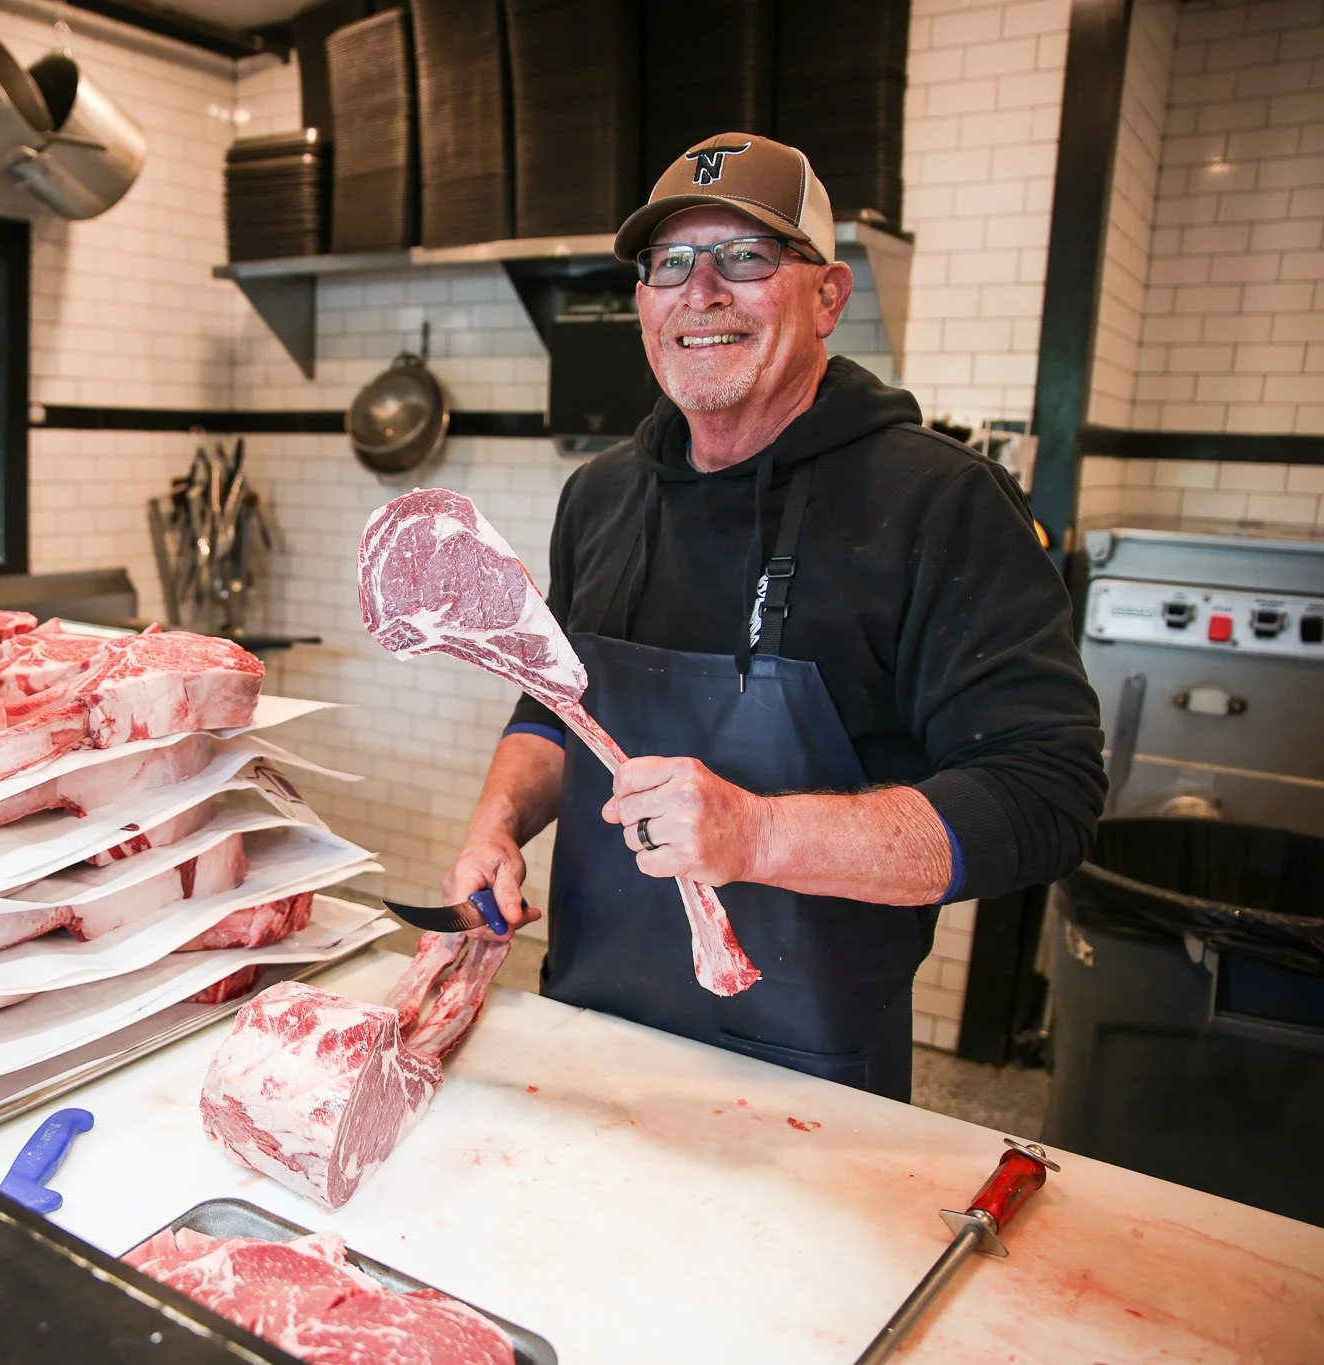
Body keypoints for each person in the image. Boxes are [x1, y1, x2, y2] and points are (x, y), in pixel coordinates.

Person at [443, 133, 1105, 1100]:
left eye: (745, 256)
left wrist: (758, 835)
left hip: (807, 1074)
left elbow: (1047, 794)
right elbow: (552, 707)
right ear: (642, 302)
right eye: (670, 263)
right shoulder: (602, 495)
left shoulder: (941, 503)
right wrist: (496, 823)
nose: (700, 290)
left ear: (827, 295)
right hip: (582, 1022)